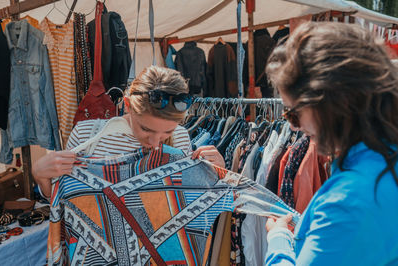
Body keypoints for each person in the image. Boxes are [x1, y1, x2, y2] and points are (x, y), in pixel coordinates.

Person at [264, 22, 398, 265]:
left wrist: (279, 240)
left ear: (330, 105)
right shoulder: (383, 162)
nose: (294, 127)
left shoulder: (348, 201)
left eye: (293, 114)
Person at [32, 65, 225, 199]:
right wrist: (42, 179)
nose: (156, 142)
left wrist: (218, 174)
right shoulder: (86, 136)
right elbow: (67, 202)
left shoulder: (181, 136)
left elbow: (189, 199)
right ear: (127, 106)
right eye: (146, 129)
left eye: (167, 131)